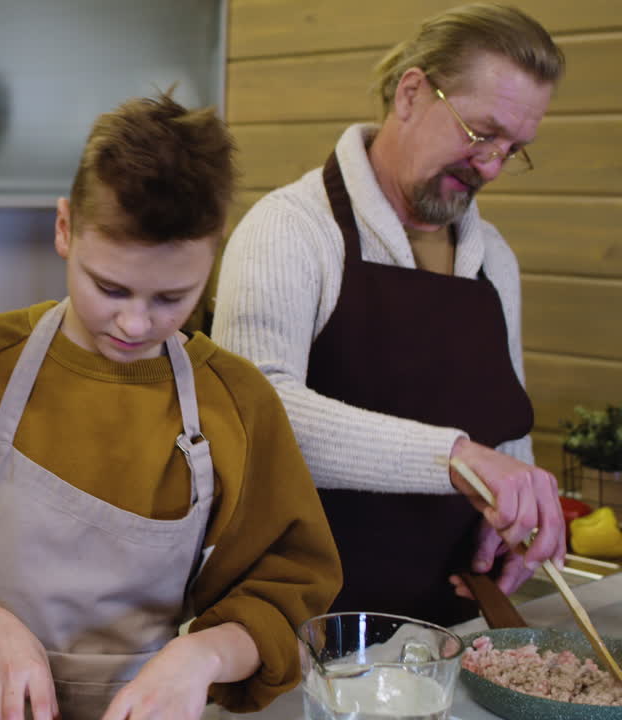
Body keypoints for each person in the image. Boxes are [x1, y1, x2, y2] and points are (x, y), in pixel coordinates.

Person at [0, 92, 342, 720]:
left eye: (172, 297)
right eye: (109, 287)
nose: (135, 323)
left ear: (214, 253)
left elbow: (288, 593)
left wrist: (201, 656)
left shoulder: (237, 403)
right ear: (64, 228)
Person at [211, 3, 567, 627]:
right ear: (411, 93)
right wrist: (454, 458)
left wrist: (520, 516)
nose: (491, 166)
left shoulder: (494, 260)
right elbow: (254, 414)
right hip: (306, 623)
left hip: (452, 625)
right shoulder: (289, 230)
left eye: (513, 149)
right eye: (481, 133)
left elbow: (507, 426)